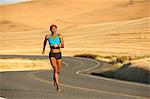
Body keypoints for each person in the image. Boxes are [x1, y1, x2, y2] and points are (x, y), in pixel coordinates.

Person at [42, 24, 64, 92]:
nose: (54, 30)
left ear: (56, 29)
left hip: (59, 54)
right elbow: (44, 42)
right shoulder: (48, 37)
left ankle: (54, 78)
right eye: (52, 28)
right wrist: (43, 49)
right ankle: (58, 86)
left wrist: (58, 45)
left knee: (58, 71)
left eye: (55, 28)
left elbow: (63, 45)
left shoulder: (60, 36)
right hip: (52, 54)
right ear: (50, 29)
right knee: (55, 68)